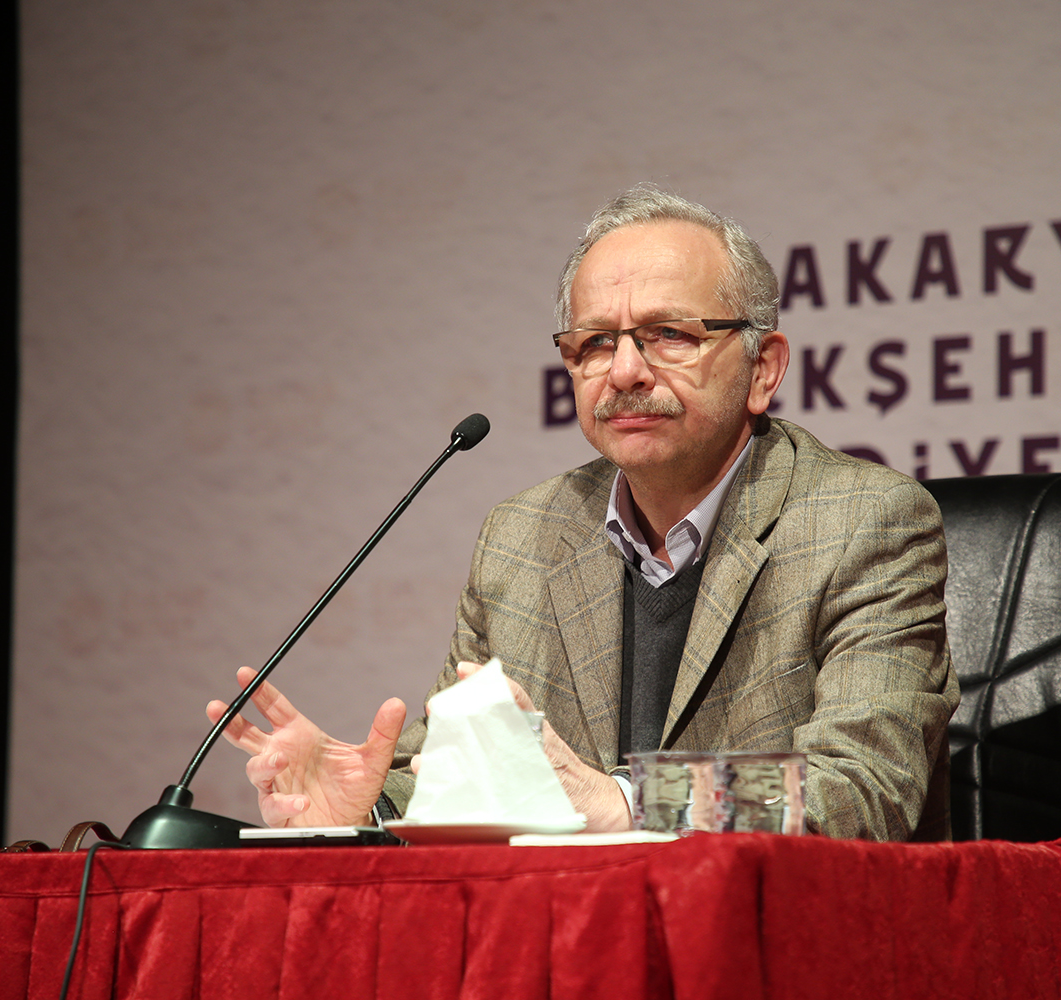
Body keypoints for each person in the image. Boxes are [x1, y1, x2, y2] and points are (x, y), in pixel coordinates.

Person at [209, 185, 958, 840]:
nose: (626, 371)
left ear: (763, 369)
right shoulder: (523, 537)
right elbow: (469, 776)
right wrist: (370, 806)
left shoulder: (865, 521)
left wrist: (629, 804)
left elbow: (866, 790)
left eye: (669, 334)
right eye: (596, 342)